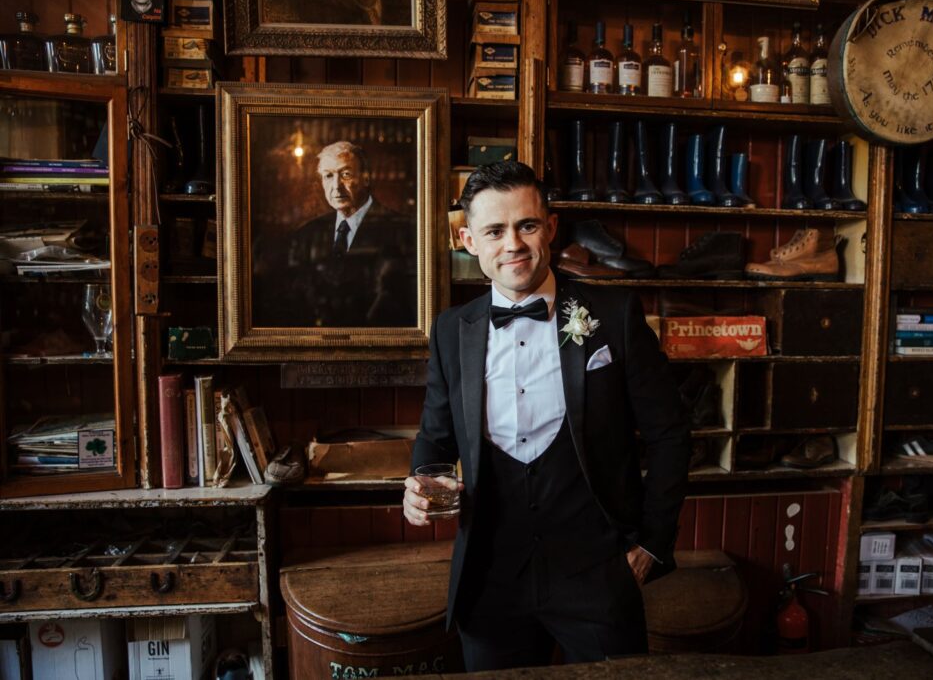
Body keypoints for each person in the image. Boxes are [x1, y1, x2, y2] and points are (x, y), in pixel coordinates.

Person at [404, 161, 690, 671]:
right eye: (495, 230)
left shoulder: (616, 316)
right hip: (491, 582)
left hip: (599, 575)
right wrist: (419, 486)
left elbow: (670, 433)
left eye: (526, 225)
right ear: (468, 239)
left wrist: (652, 543)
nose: (512, 243)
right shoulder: (451, 331)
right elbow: (436, 438)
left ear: (550, 228)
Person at [256, 140, 415, 327]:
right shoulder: (307, 233)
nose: (336, 186)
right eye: (328, 176)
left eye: (345, 174)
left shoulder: (402, 230)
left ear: (366, 179)